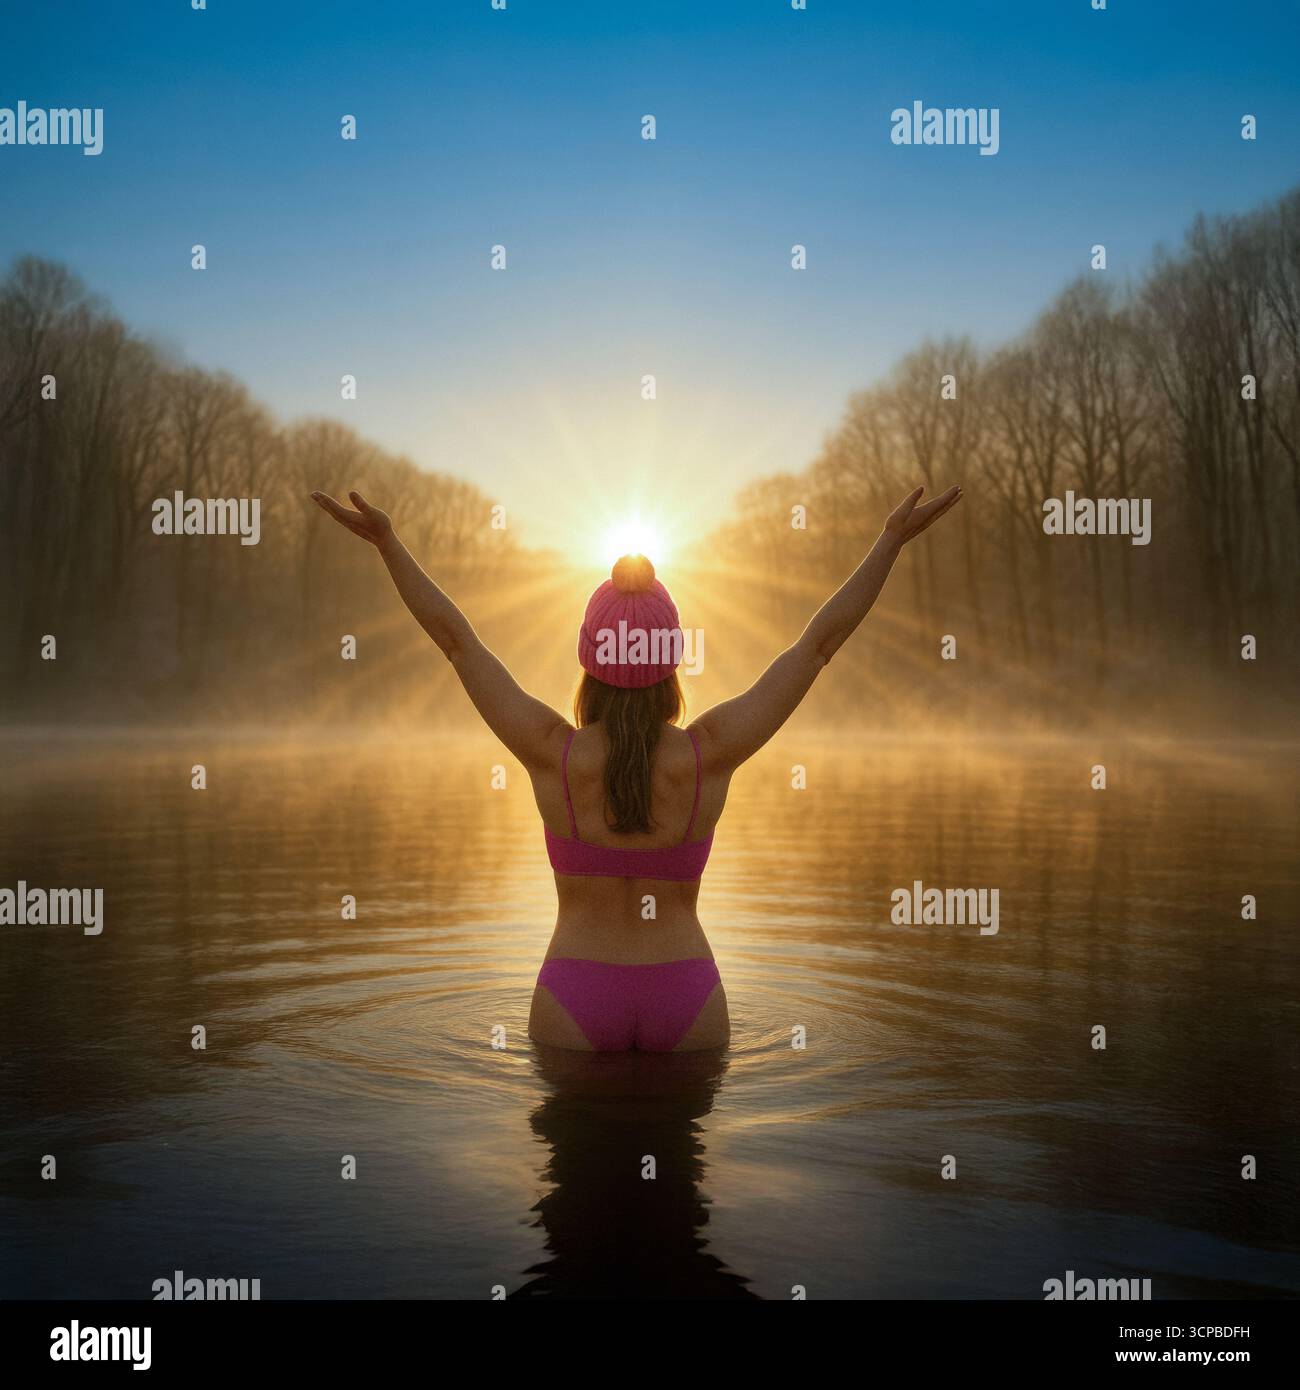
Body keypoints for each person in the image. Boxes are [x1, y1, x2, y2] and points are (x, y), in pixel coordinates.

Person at [310, 483, 961, 1052]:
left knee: (575, 1192)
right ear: (672, 662)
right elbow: (818, 645)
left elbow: (457, 641)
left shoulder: (551, 751)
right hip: (687, 995)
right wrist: (889, 542)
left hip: (574, 994)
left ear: (591, 661)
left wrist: (389, 545)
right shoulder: (709, 753)